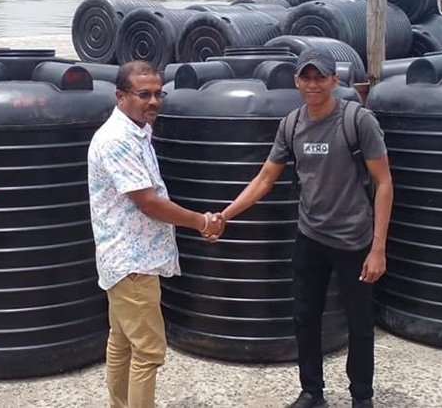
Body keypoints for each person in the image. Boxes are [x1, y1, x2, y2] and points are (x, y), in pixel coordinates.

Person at [218, 50, 394, 408]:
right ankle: (312, 391)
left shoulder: (358, 121)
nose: (312, 84)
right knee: (305, 318)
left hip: (353, 240)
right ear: (296, 80)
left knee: (359, 325)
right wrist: (225, 215)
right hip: (310, 237)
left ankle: (362, 396)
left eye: (320, 77)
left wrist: (378, 248)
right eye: (306, 77)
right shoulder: (292, 124)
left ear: (335, 80)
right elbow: (265, 178)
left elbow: (384, 182)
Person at [88, 60, 224, 408]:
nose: (153, 101)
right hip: (133, 265)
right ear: (120, 96)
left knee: (121, 341)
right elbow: (148, 202)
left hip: (125, 260)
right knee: (148, 353)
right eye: (143, 94)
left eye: (157, 94)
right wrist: (200, 222)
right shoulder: (118, 139)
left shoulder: (137, 131)